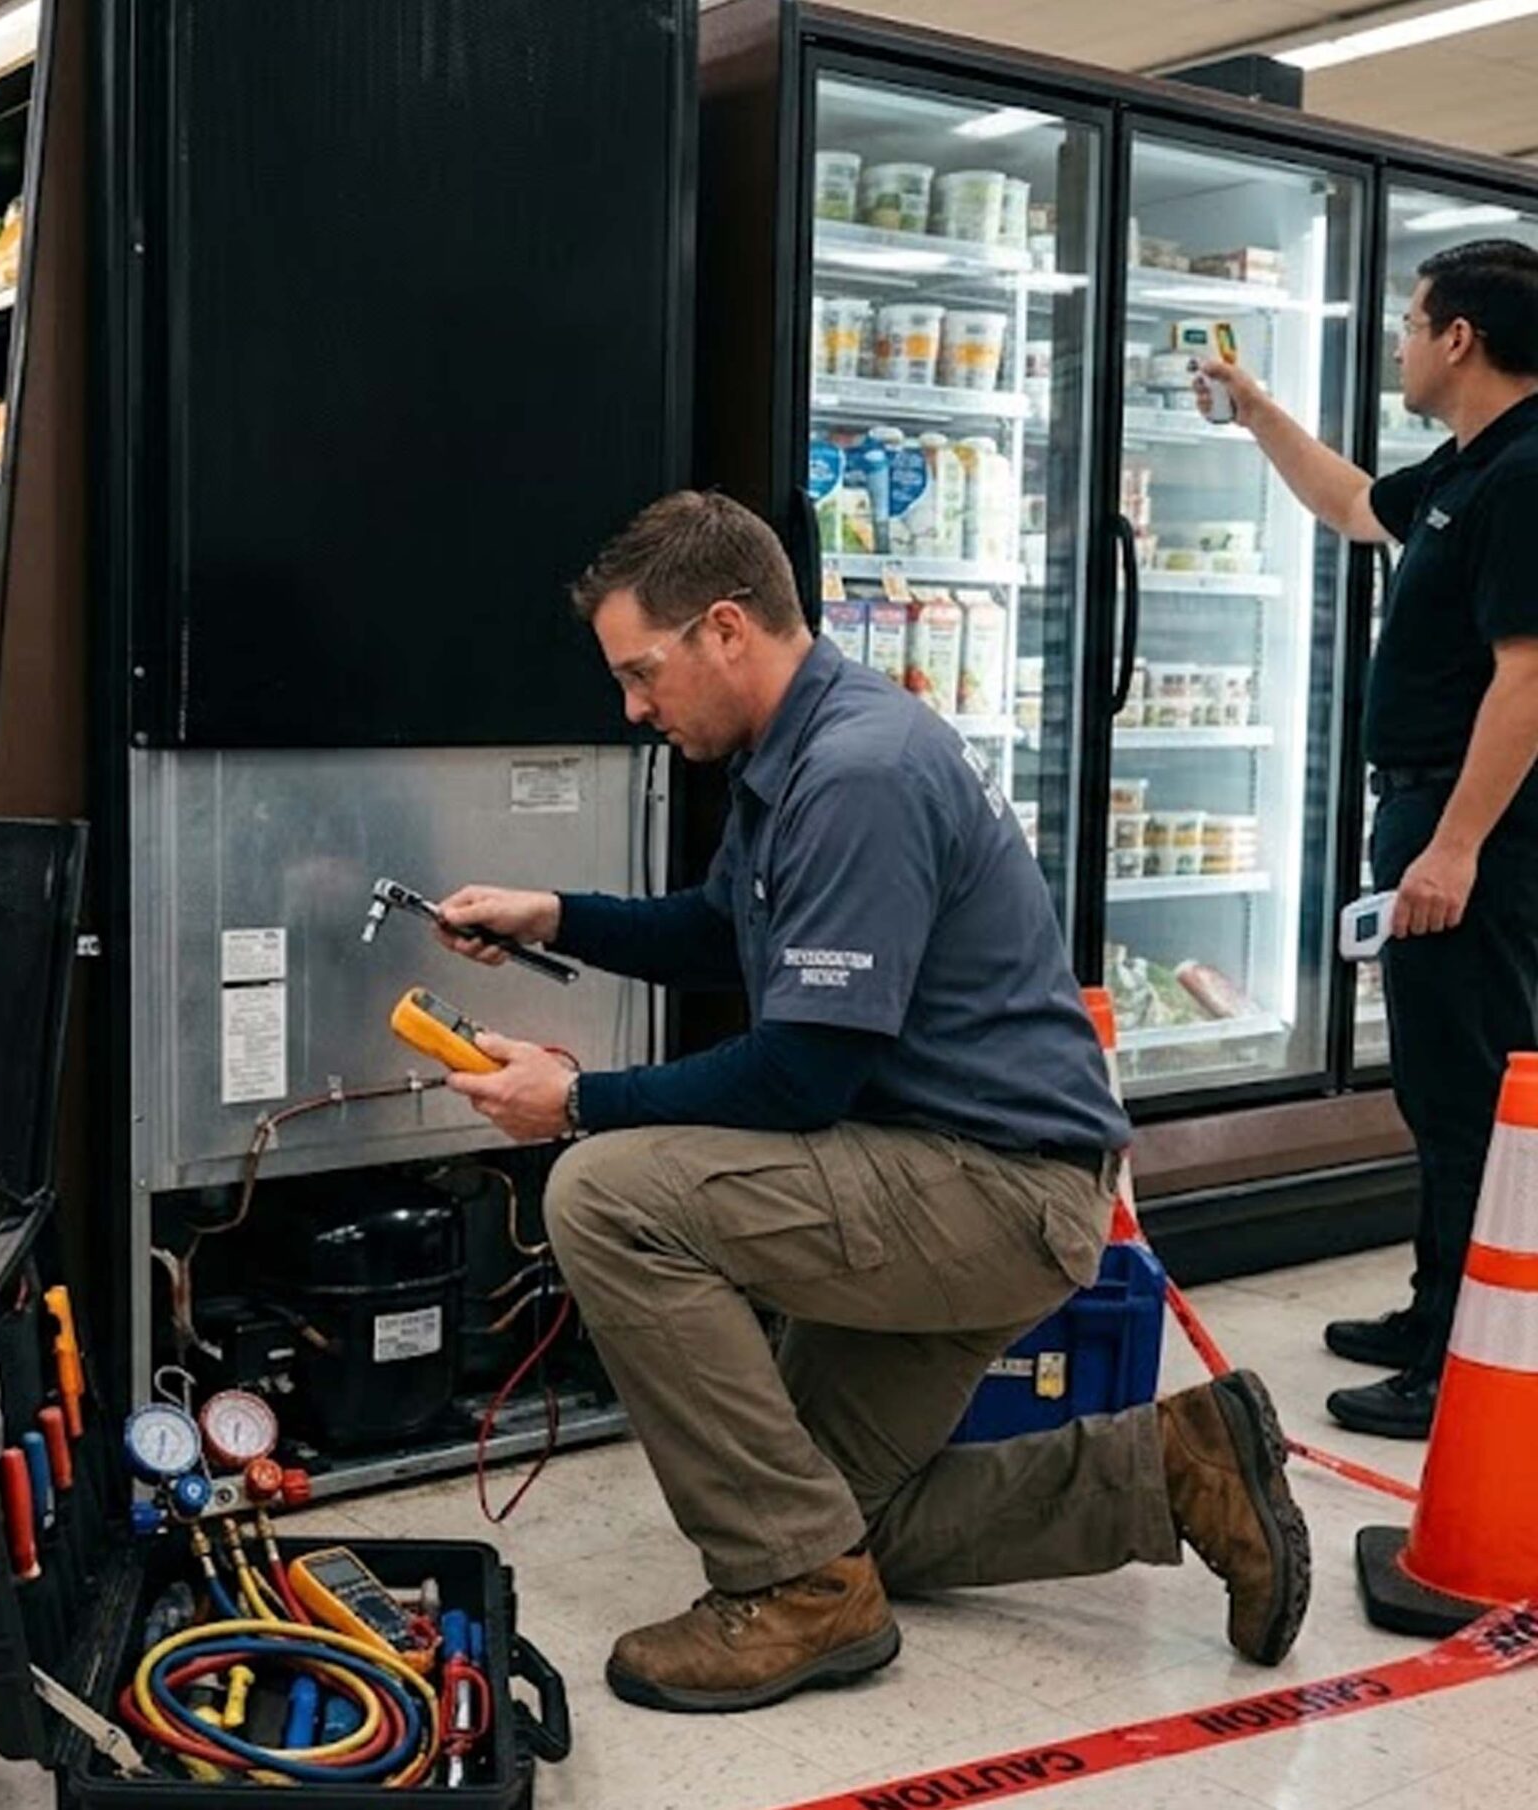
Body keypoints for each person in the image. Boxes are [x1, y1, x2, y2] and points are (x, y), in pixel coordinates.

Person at [433, 490, 1308, 1714]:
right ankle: (1178, 1466)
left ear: (725, 628)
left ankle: (792, 1590)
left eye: (641, 673)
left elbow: (798, 1076)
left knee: (603, 1194)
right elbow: (721, 931)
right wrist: (556, 917)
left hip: (994, 1190)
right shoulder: (802, 748)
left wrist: (575, 1102)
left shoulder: (858, 773)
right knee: (843, 1515)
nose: (631, 707)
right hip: (958, 1170)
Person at [1198, 240, 1538, 1440]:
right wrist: (1254, 410)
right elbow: (1351, 504)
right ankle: (1432, 1312)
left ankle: (1462, 1358)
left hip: (1471, 826)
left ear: (1459, 338)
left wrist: (1452, 848)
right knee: (1440, 1088)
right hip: (1431, 812)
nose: (1399, 344)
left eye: (1409, 324)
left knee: (1472, 1095)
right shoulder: (1469, 465)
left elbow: (1527, 680)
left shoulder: (1525, 476)